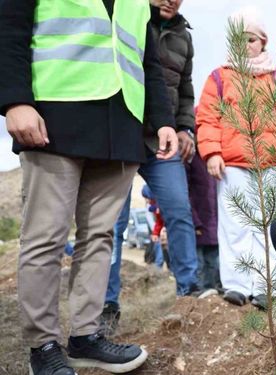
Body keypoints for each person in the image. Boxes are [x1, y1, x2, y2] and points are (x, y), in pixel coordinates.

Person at [0, 0, 178, 374]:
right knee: (45, 237)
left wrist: (163, 119)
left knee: (99, 238)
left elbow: (147, 62)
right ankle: (42, 345)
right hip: (54, 116)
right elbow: (9, 29)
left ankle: (85, 337)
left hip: (121, 123)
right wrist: (14, 100)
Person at [102, 0, 201, 334]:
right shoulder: (124, 15)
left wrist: (186, 128)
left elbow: (185, 91)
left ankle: (189, 290)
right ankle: (107, 305)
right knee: (110, 224)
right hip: (121, 132)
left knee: (179, 211)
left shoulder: (184, 37)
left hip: (163, 137)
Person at [196, 11, 276, 308]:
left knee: (267, 226)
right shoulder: (218, 77)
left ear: (262, 42)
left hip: (269, 164)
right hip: (231, 165)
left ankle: (265, 288)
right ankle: (236, 286)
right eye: (239, 39)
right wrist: (212, 152)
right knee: (234, 226)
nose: (245, 44)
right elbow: (207, 118)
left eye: (252, 39)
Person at [185, 139, 222, 293]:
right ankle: (199, 294)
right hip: (199, 224)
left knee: (215, 263)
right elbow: (185, 194)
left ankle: (215, 293)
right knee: (199, 264)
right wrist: (195, 222)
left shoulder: (219, 159)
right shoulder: (191, 160)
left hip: (216, 226)